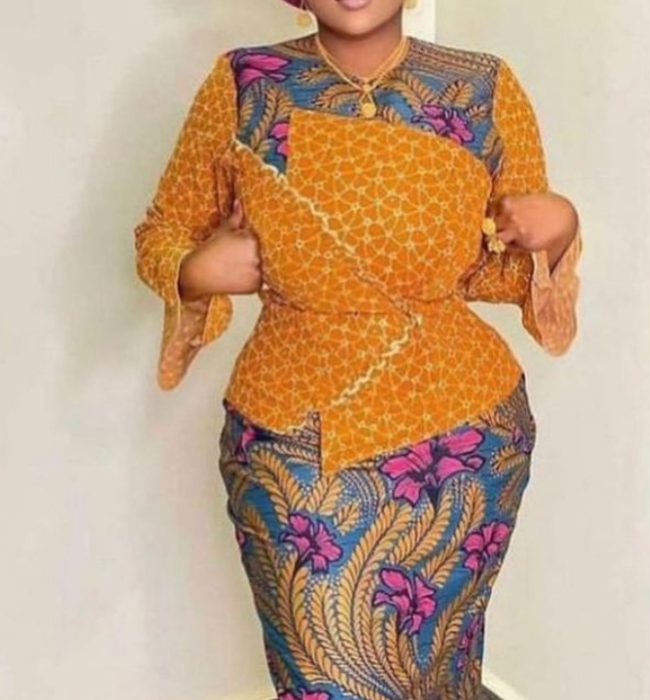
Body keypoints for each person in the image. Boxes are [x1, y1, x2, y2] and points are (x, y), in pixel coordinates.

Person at [133, 0, 583, 697]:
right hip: (290, 434)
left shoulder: (482, 87)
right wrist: (195, 269)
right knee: (320, 679)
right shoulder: (246, 84)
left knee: (437, 675)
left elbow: (490, 270)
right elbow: (159, 232)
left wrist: (559, 229)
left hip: (464, 436)